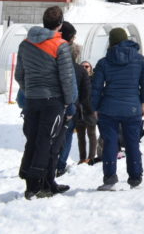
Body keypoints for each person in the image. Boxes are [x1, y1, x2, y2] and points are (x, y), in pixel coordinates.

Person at [15, 5, 76, 199]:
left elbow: (19, 75)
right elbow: (67, 79)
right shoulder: (60, 46)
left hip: (32, 100)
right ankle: (36, 185)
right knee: (46, 141)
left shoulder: (25, 44)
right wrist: (69, 102)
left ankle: (36, 180)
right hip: (53, 101)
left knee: (33, 139)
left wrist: (29, 90)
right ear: (60, 25)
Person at [92, 27, 144, 190]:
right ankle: (135, 177)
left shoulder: (104, 62)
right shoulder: (140, 60)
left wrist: (95, 106)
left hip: (108, 109)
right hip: (132, 108)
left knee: (110, 143)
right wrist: (143, 102)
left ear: (111, 42)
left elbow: (96, 88)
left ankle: (110, 177)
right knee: (132, 143)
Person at [55, 22, 83, 177]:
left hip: (49, 102)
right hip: (66, 104)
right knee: (66, 135)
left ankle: (50, 164)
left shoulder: (46, 50)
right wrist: (72, 105)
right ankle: (59, 165)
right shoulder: (65, 54)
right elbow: (69, 83)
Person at [75, 61, 98, 165]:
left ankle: (91, 157)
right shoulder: (77, 79)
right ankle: (82, 158)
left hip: (90, 110)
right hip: (78, 110)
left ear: (90, 68)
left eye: (86, 66)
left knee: (91, 134)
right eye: (82, 66)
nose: (84, 68)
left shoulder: (94, 80)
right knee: (80, 135)